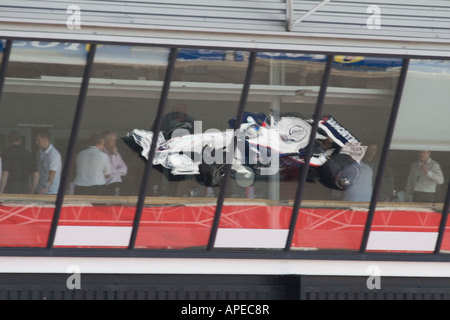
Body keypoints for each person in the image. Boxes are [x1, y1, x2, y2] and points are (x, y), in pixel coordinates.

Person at [31, 129, 62, 195]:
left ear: (45, 139)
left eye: (39, 140)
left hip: (51, 191)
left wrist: (46, 188)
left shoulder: (54, 154)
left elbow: (52, 173)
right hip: (40, 188)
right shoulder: (39, 153)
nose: (36, 142)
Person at [101, 131, 128, 195]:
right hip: (106, 186)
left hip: (118, 185)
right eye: (112, 140)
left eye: (115, 140)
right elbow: (108, 170)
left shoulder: (117, 154)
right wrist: (113, 154)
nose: (114, 143)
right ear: (105, 141)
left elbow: (125, 170)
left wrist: (113, 172)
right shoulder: (101, 153)